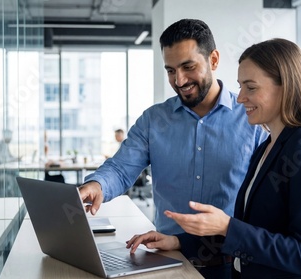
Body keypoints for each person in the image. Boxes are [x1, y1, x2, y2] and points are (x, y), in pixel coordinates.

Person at [126, 38, 301, 279]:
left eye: (251, 87)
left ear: (286, 86)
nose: (240, 97)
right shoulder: (268, 145)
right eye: (240, 86)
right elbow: (254, 231)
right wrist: (177, 242)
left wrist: (226, 226)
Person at [79, 19, 268, 278]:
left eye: (188, 67)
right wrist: (97, 185)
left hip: (232, 262)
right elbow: (122, 168)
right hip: (168, 258)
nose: (179, 80)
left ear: (213, 60)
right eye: (170, 70)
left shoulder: (252, 119)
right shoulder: (154, 119)